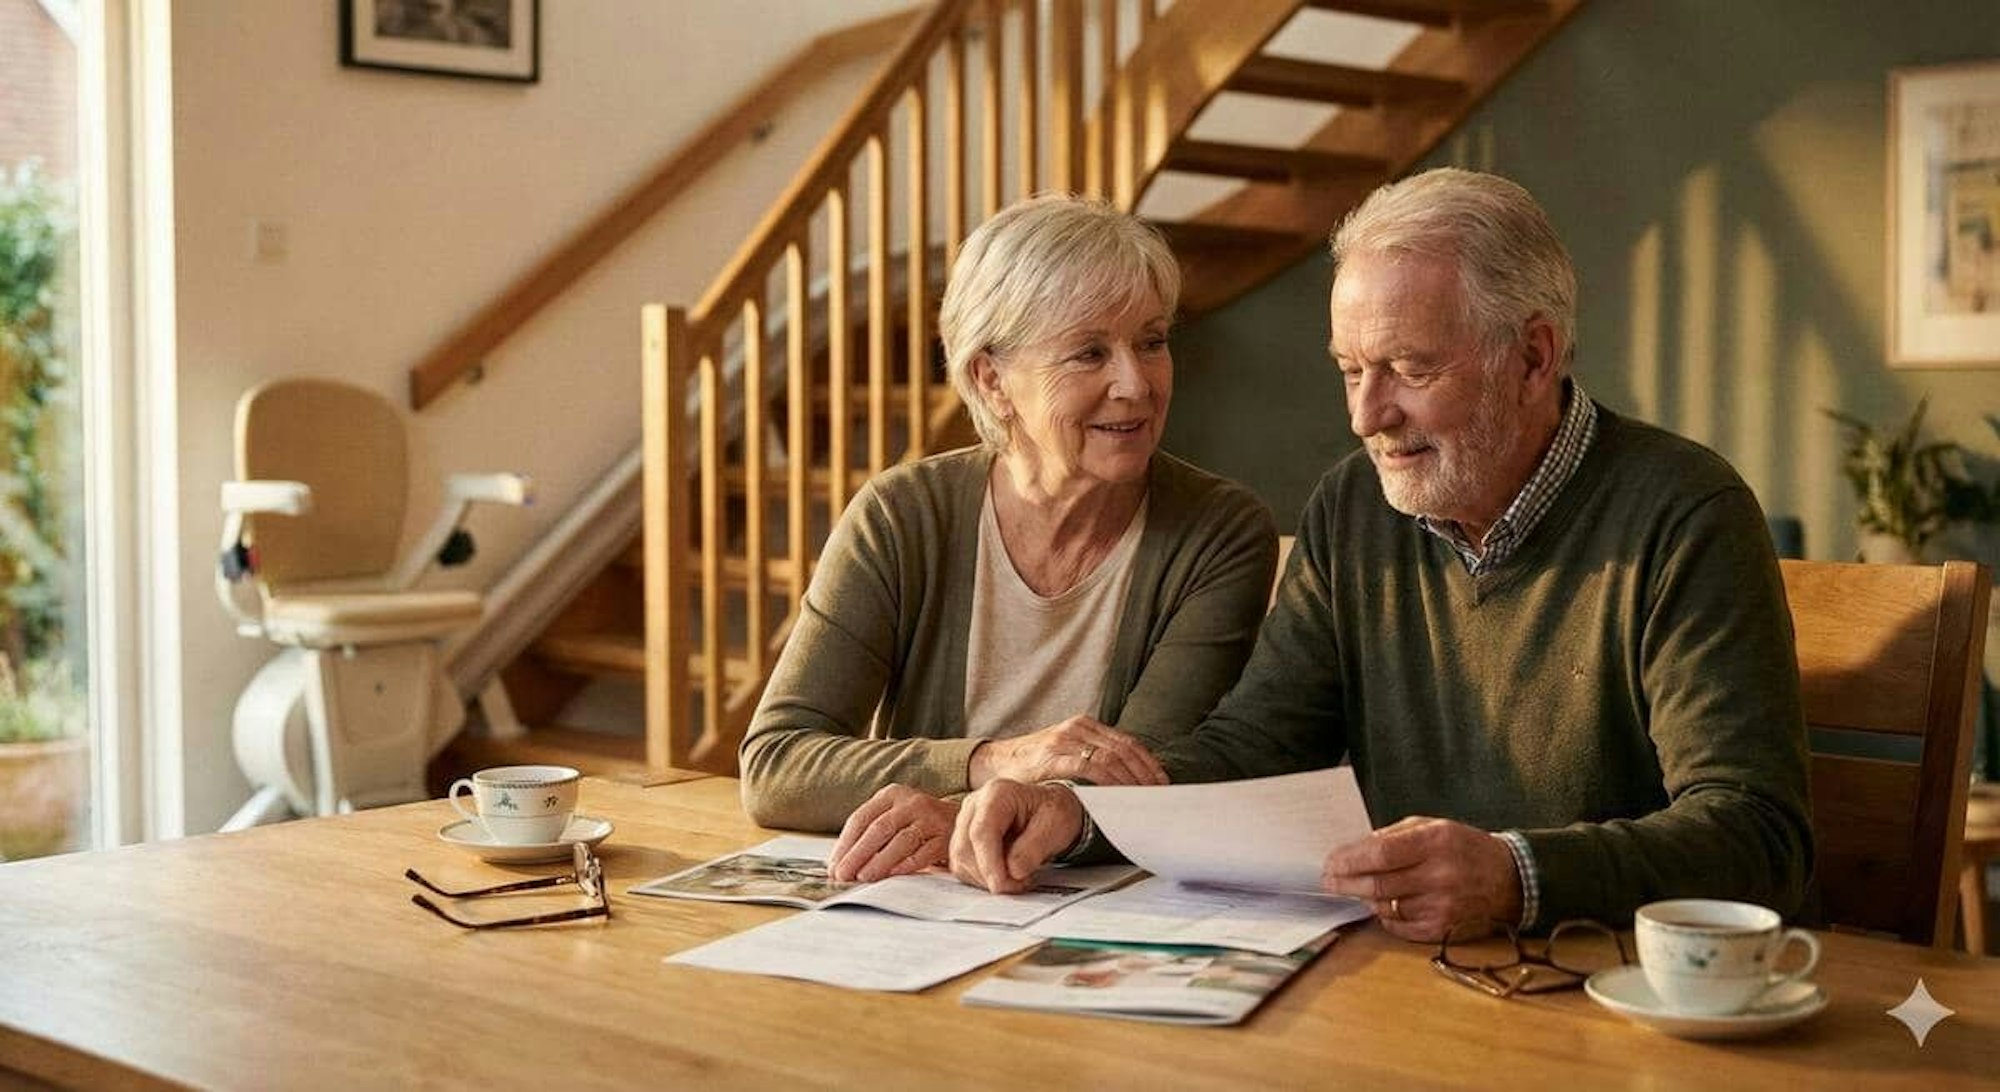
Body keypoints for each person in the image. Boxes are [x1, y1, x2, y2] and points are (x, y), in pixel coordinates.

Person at [948, 169, 1814, 942]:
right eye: (1349, 370)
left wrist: (1518, 877)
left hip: (1605, 990)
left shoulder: (1685, 514)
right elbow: (1253, 746)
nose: (1367, 417)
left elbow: (1756, 832)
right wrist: (1077, 813)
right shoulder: (1354, 506)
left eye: (1407, 368)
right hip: (1405, 978)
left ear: (1533, 356)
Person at [738, 195, 1278, 884]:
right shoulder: (901, 516)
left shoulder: (1219, 531)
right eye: (1089, 353)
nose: (1135, 384)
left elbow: (1144, 777)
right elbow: (776, 765)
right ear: (992, 380)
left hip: (1100, 909)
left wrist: (955, 812)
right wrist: (996, 761)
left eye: (1152, 341)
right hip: (926, 905)